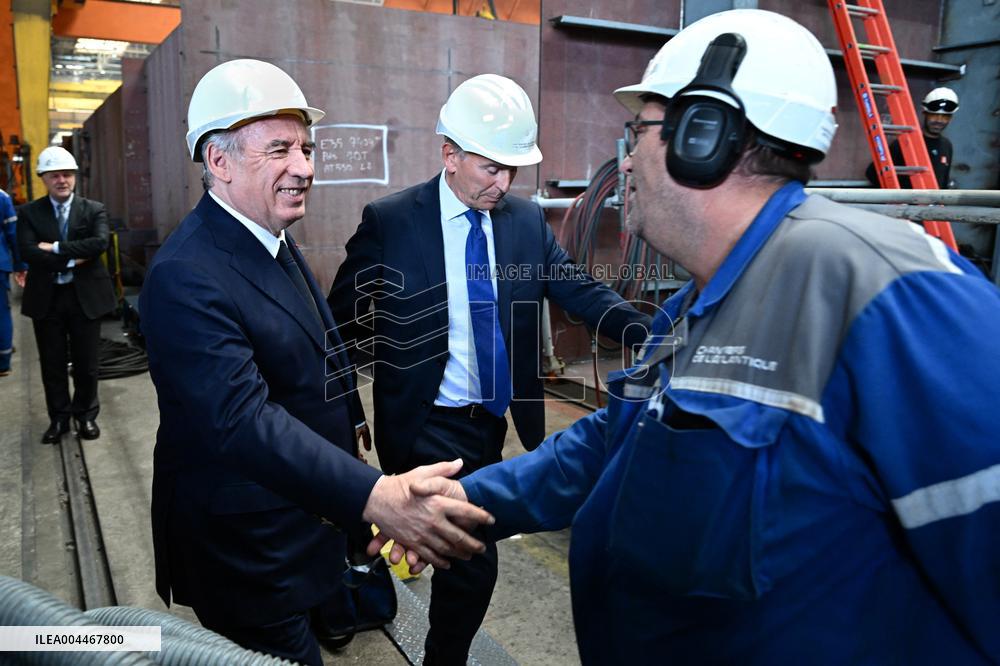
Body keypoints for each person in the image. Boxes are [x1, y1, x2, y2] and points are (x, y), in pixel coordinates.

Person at [400, 10, 1000, 664]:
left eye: (639, 131)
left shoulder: (896, 297)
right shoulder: (700, 301)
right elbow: (609, 443)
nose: (624, 160)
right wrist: (460, 500)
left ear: (701, 134)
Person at [138, 59, 493, 665]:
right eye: (278, 149)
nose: (303, 167)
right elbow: (241, 422)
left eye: (305, 147)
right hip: (247, 554)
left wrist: (354, 465)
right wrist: (376, 496)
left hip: (299, 527)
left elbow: (320, 350)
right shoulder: (185, 277)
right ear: (217, 162)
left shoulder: (267, 237)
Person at [328, 73, 650, 664]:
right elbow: (338, 325)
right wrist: (344, 410)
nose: (503, 184)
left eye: (512, 170)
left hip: (490, 421)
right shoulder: (392, 221)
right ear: (449, 154)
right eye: (490, 168)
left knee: (452, 552)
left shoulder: (524, 223)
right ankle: (378, 601)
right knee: (469, 555)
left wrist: (652, 337)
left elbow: (577, 290)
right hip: (423, 421)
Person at [17, 146, 116, 442]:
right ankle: (59, 420)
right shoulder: (30, 213)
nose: (62, 180)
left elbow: (99, 243)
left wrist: (57, 248)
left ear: (74, 177)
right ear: (43, 179)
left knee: (87, 364)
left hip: (83, 296)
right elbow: (28, 252)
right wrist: (75, 257)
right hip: (47, 297)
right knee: (52, 363)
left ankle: (86, 417)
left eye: (67, 174)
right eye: (55, 175)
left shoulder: (93, 209)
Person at [866, 86, 959, 188]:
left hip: (933, 202)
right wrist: (899, 197)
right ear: (925, 113)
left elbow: (944, 183)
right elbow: (872, 174)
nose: (939, 120)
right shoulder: (906, 142)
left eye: (945, 116)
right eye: (934, 115)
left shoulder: (946, 145)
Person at [1, 187, 26, 376]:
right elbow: (13, 234)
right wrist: (20, 264)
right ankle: (3, 361)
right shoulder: (1, 197)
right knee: (1, 312)